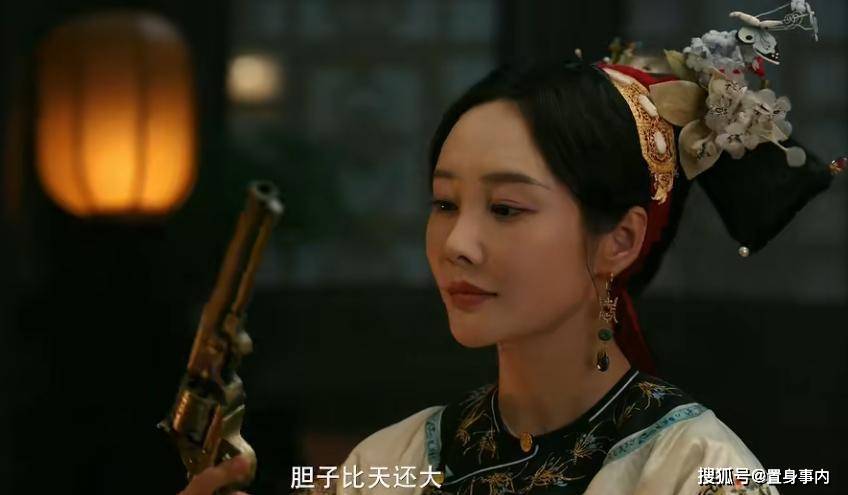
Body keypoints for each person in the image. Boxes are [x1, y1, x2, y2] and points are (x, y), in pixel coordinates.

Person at [180, 3, 842, 495]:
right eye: (445, 204)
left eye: (505, 208)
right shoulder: (388, 464)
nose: (458, 244)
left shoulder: (696, 474)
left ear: (619, 240)